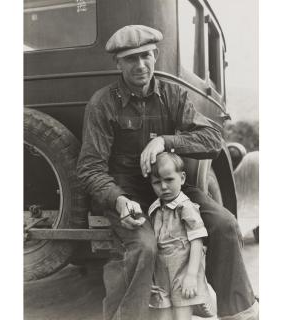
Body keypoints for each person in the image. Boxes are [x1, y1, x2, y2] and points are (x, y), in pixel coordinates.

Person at [77, 25, 258, 320]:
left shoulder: (172, 95)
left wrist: (166, 140)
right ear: (118, 63)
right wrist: (119, 201)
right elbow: (90, 168)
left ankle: (241, 312)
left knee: (224, 224)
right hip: (127, 193)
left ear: (155, 55)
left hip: (171, 188)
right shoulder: (103, 103)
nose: (140, 65)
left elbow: (213, 140)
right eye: (131, 59)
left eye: (146, 56)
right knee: (144, 247)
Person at [148, 152, 216, 320]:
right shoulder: (154, 209)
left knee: (182, 315)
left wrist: (191, 276)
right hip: (160, 275)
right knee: (162, 316)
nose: (163, 187)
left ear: (182, 178)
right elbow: (151, 245)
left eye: (169, 180)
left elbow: (197, 240)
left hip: (183, 272)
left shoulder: (186, 208)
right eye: (157, 182)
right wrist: (149, 277)